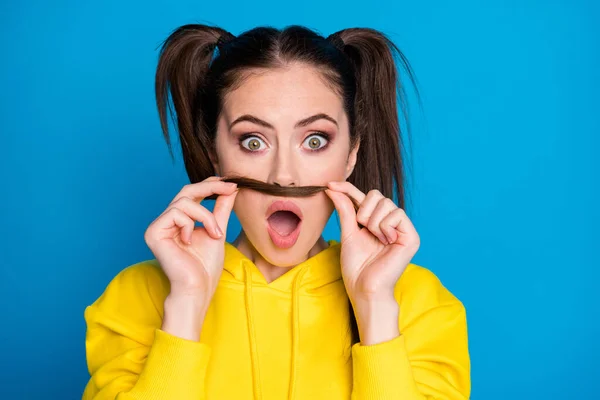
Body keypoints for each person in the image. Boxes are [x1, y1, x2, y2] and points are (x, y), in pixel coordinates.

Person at [82, 23, 471, 400]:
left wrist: (374, 306)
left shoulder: (420, 304)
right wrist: (185, 303)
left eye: (315, 140)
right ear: (214, 152)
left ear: (352, 152)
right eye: (253, 141)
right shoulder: (138, 297)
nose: (284, 175)